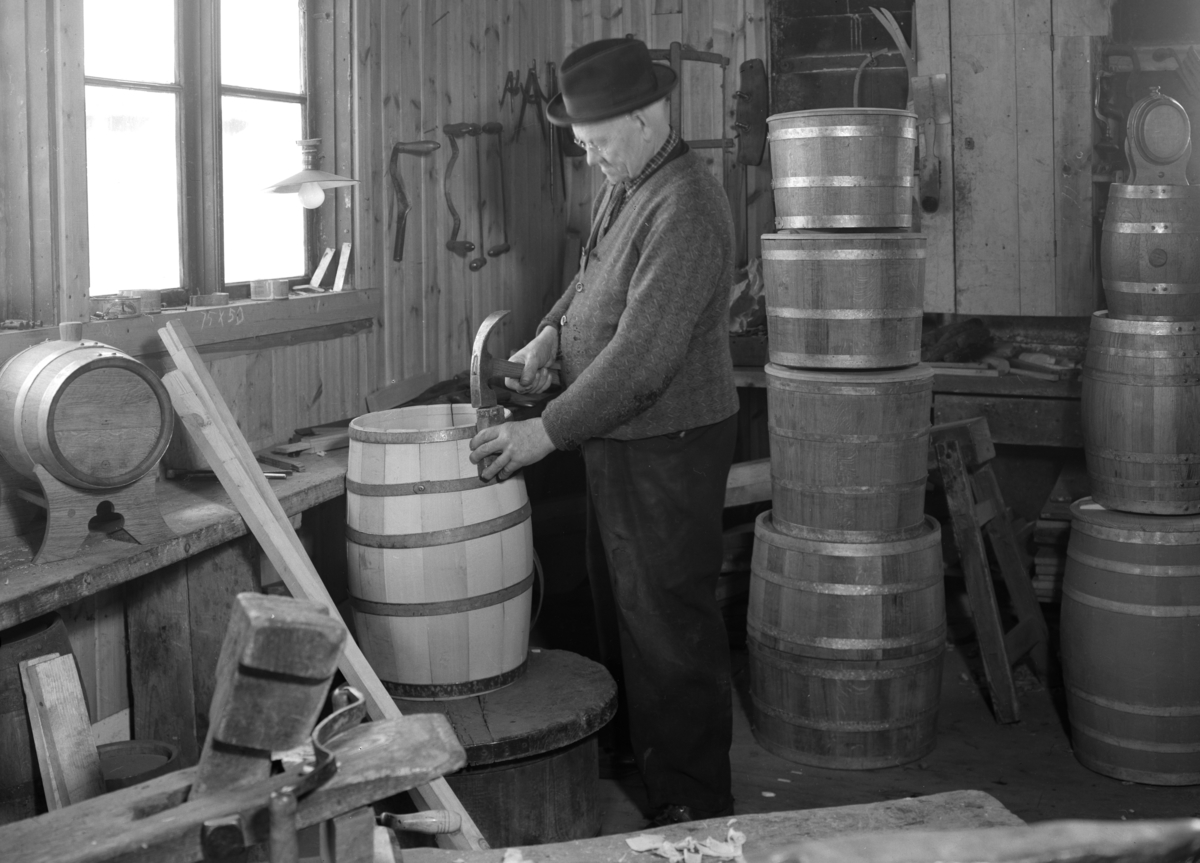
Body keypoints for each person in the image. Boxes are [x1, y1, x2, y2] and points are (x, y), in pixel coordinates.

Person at [468, 37, 740, 826]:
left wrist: (544, 433)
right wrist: (550, 335)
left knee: (669, 626)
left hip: (668, 443)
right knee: (624, 609)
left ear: (645, 118)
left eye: (595, 143)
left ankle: (694, 804)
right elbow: (591, 278)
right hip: (620, 440)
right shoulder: (632, 181)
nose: (589, 159)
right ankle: (646, 755)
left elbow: (644, 360)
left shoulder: (687, 206)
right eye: (582, 145)